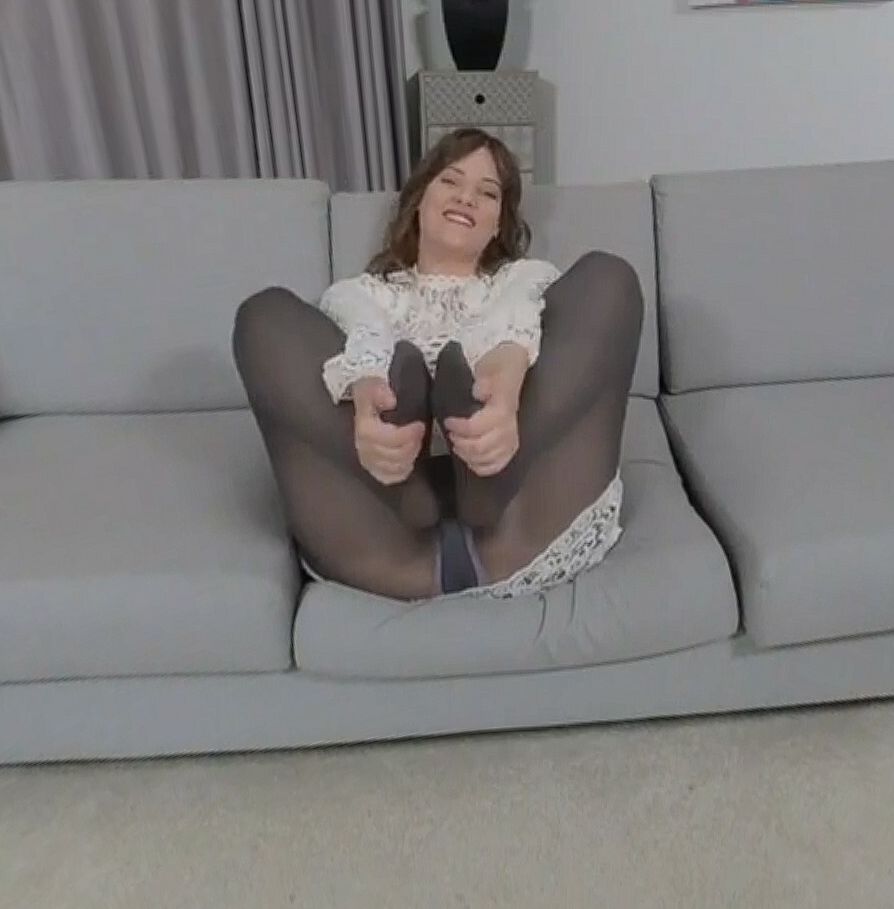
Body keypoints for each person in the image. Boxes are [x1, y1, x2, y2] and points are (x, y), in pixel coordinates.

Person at [232, 129, 643, 601]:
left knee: (609, 278)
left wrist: (508, 374)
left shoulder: (526, 279)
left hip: (526, 520)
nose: (467, 197)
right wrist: (365, 395)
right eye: (450, 181)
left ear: (498, 224)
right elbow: (367, 332)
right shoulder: (358, 293)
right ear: (419, 201)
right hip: (384, 541)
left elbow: (517, 314)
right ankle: (405, 484)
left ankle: (486, 479)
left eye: (487, 193)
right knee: (262, 317)